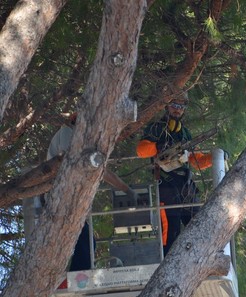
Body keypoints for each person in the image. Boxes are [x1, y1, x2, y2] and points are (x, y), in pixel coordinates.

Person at [47, 113, 138, 271]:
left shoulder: (78, 138)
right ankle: (77, 279)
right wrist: (127, 189)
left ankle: (77, 276)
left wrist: (126, 189)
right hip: (62, 201)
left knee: (86, 243)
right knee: (85, 243)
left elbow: (98, 169)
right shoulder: (67, 134)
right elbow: (86, 167)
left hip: (70, 203)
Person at [136, 91, 213, 255]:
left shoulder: (184, 132)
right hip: (166, 184)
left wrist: (214, 158)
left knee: (198, 224)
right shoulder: (156, 128)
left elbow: (196, 159)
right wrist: (159, 146)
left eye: (181, 106)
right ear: (167, 106)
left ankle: (201, 259)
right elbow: (141, 151)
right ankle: (167, 264)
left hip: (186, 184)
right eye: (174, 105)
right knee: (171, 231)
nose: (178, 110)